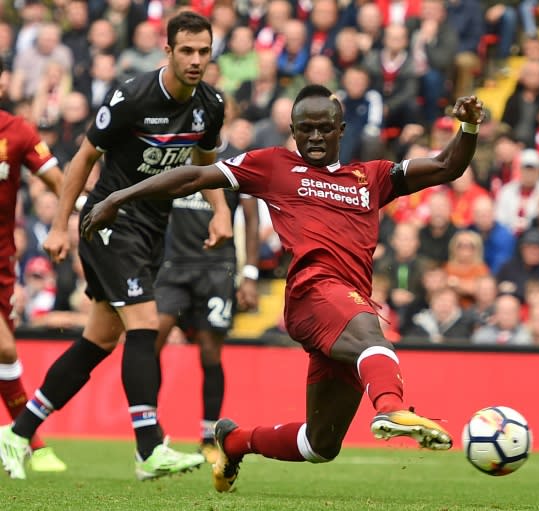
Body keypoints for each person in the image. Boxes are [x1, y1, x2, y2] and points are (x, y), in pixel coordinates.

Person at [79, 85, 485, 493]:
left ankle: (234, 441)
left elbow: (447, 166)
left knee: (320, 444)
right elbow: (197, 175)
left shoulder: (372, 177)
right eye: (304, 129)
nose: (313, 137)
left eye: (323, 129)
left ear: (341, 129)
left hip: (346, 307)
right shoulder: (274, 166)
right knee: (374, 340)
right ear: (291, 129)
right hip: (313, 293)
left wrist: (466, 126)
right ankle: (392, 408)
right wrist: (120, 196)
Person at [0, 11, 232, 481]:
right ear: (167, 51)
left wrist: (222, 211)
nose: (195, 60)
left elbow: (204, 163)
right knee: (144, 322)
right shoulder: (132, 96)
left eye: (203, 52)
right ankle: (149, 447)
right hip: (109, 219)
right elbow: (85, 156)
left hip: (151, 230)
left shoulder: (211, 104)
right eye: (186, 50)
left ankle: (18, 431)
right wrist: (61, 225)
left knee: (99, 340)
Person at [154, 190, 260, 464]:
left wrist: (249, 274)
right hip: (173, 265)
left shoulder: (233, 164)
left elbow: (251, 219)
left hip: (216, 267)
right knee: (150, 340)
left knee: (210, 353)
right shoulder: (175, 154)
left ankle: (207, 437)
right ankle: (150, 430)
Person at [0, 57, 67, 475]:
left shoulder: (17, 130)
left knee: (4, 355)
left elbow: (59, 182)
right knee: (4, 346)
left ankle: (22, 438)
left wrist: (67, 222)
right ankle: (28, 438)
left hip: (4, 262)